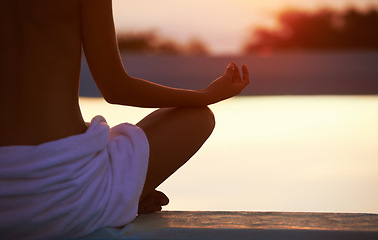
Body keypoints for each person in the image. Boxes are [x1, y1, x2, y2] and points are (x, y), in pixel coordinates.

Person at [0, 0, 249, 239]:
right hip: (73, 192)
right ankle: (125, 194)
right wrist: (207, 95)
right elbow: (116, 89)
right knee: (197, 117)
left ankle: (127, 192)